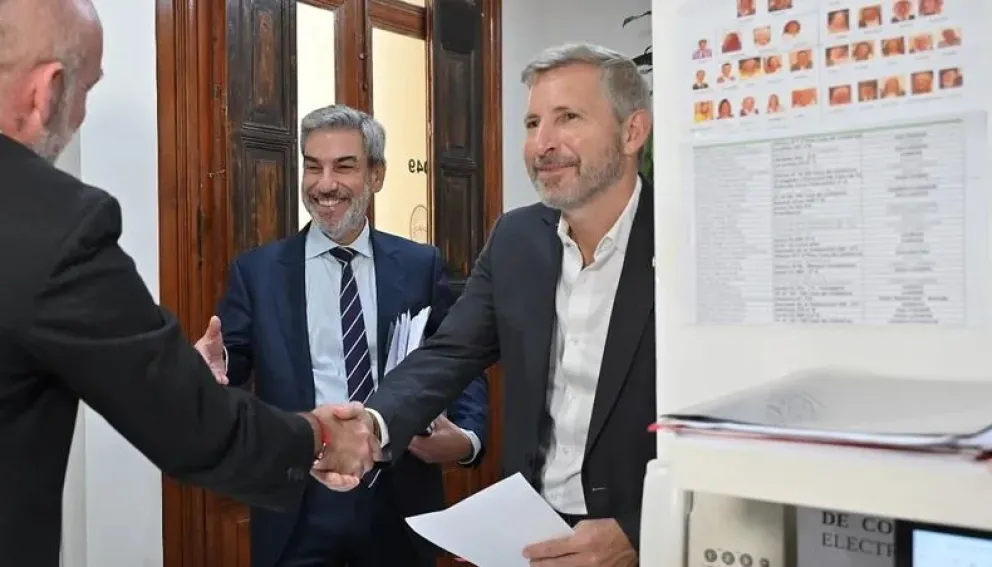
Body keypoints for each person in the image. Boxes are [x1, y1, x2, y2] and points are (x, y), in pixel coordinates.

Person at [0, 1, 373, 564]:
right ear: (47, 91)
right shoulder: (54, 225)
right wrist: (319, 438)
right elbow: (189, 423)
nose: (81, 113)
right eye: (86, 91)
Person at [331, 42, 656, 566]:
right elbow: (450, 353)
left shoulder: (688, 240)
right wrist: (372, 424)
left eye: (568, 118)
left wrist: (640, 534)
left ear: (632, 131)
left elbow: (738, 424)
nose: (542, 144)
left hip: (645, 539)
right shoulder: (516, 238)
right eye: (532, 123)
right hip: (531, 533)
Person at [195, 105, 489, 567]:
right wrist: (216, 368)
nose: (324, 184)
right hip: (297, 500)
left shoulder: (420, 265)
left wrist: (468, 438)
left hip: (398, 496)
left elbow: (459, 360)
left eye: (344, 167)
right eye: (313, 167)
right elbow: (235, 358)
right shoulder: (258, 273)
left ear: (377, 175)